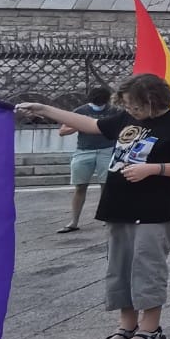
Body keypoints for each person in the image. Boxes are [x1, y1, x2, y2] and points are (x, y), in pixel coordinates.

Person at [17, 75, 170, 339]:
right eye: (126, 105)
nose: (130, 110)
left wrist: (152, 170)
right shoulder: (125, 119)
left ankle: (150, 328)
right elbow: (90, 125)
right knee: (120, 268)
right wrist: (44, 109)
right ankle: (126, 326)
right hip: (118, 205)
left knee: (147, 268)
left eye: (134, 105)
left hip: (152, 209)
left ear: (152, 101)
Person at [56, 85, 119, 234]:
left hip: (107, 149)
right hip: (84, 150)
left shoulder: (113, 110)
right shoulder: (81, 111)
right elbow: (63, 131)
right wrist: (81, 124)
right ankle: (74, 220)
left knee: (106, 185)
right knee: (80, 186)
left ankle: (106, 217)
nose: (100, 105)